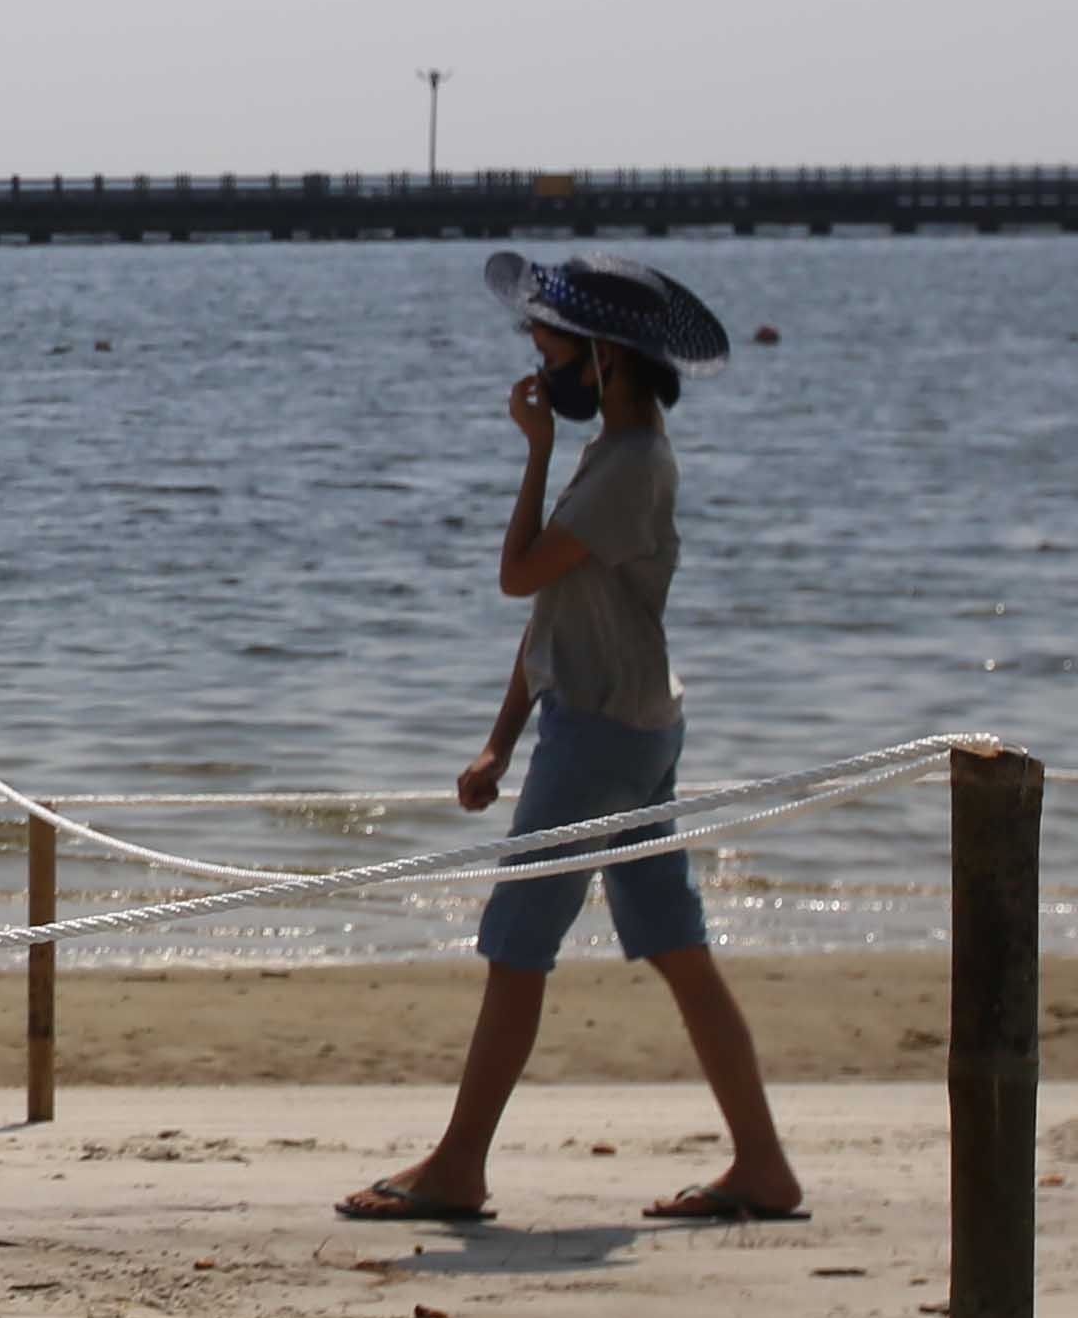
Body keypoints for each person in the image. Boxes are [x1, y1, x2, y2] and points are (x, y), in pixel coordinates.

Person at [343, 253, 802, 1225]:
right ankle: (762, 1165)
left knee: (517, 947)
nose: (535, 356)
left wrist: (534, 449)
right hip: (626, 720)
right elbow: (555, 605)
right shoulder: (626, 455)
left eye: (546, 341)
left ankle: (457, 1167)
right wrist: (499, 742)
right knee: (676, 945)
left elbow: (516, 574)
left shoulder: (626, 464)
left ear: (602, 358)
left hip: (599, 732)